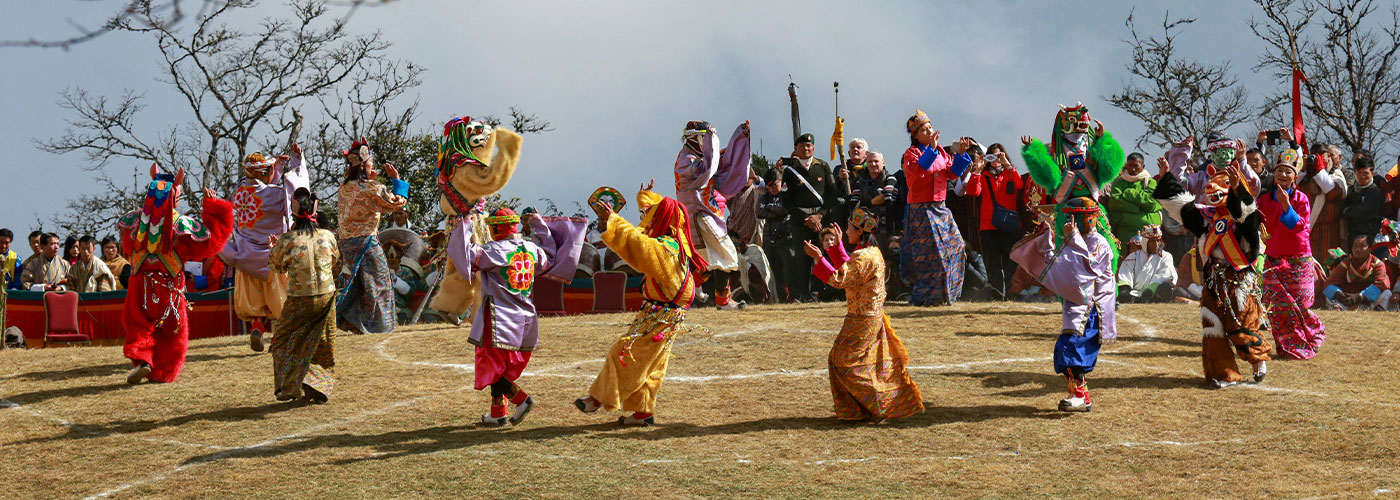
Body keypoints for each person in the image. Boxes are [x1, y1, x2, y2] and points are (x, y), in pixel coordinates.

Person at [575, 184, 708, 426]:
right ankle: (642, 413)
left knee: (625, 353)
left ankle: (598, 398)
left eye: (653, 214)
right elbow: (646, 230)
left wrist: (614, 221)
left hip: (661, 314)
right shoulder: (676, 243)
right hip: (664, 312)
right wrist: (644, 196)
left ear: (663, 218)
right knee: (652, 365)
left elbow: (638, 244)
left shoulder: (666, 248)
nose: (648, 218)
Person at [1157, 154, 1270, 387]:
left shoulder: (1244, 216)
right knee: (1213, 330)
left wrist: (1238, 190)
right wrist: (1167, 177)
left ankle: (1257, 360)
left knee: (1240, 324)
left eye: (1223, 185)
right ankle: (1224, 374)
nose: (1214, 190)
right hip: (1213, 281)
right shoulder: (1205, 216)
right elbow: (1179, 206)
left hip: (1239, 279)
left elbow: (1248, 221)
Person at [117, 165, 234, 384]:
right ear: (175, 198)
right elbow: (210, 243)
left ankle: (142, 359)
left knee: (138, 323)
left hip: (140, 284)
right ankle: (162, 372)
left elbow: (127, 245)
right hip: (169, 285)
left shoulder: (134, 222)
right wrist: (213, 207)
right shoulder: (182, 225)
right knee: (173, 330)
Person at [804, 208, 923, 421]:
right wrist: (837, 247)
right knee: (851, 362)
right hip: (867, 315)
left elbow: (840, 279)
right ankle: (859, 410)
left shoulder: (863, 256)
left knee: (842, 362)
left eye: (849, 228)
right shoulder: (871, 252)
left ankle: (881, 403)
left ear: (860, 231)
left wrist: (819, 258)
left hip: (862, 318)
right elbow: (850, 270)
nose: (846, 232)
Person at [1011, 197, 1117, 412]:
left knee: (1070, 348)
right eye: (1070, 218)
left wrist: (1073, 238)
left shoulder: (1099, 243)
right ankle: (1081, 396)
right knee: (1069, 350)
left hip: (1091, 307)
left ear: (1090, 219)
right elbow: (1061, 266)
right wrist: (1046, 240)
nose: (1071, 222)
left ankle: (1078, 396)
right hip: (1076, 305)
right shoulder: (1074, 240)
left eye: (1076, 217)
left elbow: (1086, 268)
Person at [447, 207, 548, 427]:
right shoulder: (532, 249)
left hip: (498, 316)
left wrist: (464, 223)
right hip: (524, 315)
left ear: (495, 229)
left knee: (490, 363)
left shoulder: (492, 251)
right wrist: (539, 224)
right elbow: (548, 258)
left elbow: (463, 255)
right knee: (500, 365)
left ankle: (521, 399)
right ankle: (498, 413)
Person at [222, 144, 308, 352]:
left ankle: (257, 328)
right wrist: (297, 160)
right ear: (263, 173)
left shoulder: (238, 193)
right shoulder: (276, 195)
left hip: (246, 258)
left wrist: (277, 168)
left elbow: (262, 187)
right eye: (269, 169)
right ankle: (278, 338)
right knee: (281, 300)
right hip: (273, 257)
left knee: (254, 300)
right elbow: (296, 192)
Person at [1020, 103, 1126, 270]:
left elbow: (1108, 170)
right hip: (1066, 212)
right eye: (1072, 123)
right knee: (1066, 256)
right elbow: (1048, 178)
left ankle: (1105, 285)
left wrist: (1103, 140)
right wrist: (1034, 152)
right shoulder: (1057, 153)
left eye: (1082, 124)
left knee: (1104, 251)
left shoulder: (1092, 150)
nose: (1077, 128)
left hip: (1093, 210)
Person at [268, 188, 339, 403]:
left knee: (282, 340)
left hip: (300, 298)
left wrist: (274, 248)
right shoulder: (328, 236)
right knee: (323, 340)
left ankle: (289, 386)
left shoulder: (287, 239)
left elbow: (276, 266)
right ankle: (317, 385)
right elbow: (334, 261)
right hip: (327, 296)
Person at [1257, 148, 1328, 360]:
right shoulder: (1264, 200)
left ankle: (1312, 335)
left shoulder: (1301, 198)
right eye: (1280, 170)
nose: (1283, 175)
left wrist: (1286, 204)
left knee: (1300, 305)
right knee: (1278, 307)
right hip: (1273, 257)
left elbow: (1299, 227)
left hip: (1298, 258)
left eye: (1288, 171)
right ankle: (1287, 346)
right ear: (1274, 173)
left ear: (1295, 176)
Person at [673, 120, 751, 310]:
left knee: (707, 258)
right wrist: (712, 143)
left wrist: (740, 135)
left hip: (705, 214)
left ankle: (693, 290)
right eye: (703, 138)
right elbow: (708, 168)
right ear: (694, 138)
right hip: (700, 215)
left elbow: (719, 161)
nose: (705, 142)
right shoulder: (686, 160)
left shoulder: (694, 158)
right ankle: (721, 301)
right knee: (725, 253)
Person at [335, 138, 409, 335]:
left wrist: (372, 179)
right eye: (371, 162)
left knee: (355, 284)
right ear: (362, 164)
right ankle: (378, 326)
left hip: (346, 243)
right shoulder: (371, 188)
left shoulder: (345, 186)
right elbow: (396, 203)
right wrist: (396, 179)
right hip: (366, 242)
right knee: (380, 283)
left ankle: (350, 320)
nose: (373, 165)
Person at [901, 110, 969, 306]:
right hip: (921, 209)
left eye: (930, 127)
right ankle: (928, 296)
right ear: (916, 136)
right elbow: (917, 172)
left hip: (940, 207)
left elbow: (952, 174)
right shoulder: (912, 153)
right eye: (924, 129)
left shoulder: (940, 151)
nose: (929, 131)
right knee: (930, 254)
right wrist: (931, 150)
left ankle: (950, 292)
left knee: (956, 246)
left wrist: (961, 155)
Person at [779, 132, 837, 302]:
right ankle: (805, 293)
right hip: (801, 222)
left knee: (826, 254)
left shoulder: (823, 166)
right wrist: (805, 219)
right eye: (802, 146)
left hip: (822, 219)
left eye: (809, 145)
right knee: (803, 257)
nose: (806, 148)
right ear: (796, 149)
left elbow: (832, 194)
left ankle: (827, 291)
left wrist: (819, 216)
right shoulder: (790, 171)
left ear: (813, 148)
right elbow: (786, 200)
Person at [964, 144, 1024, 299]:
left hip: (1009, 225)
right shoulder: (983, 176)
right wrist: (977, 170)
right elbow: (972, 191)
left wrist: (1007, 165)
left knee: (1010, 261)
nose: (995, 160)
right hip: (988, 225)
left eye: (998, 156)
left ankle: (1011, 293)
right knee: (993, 262)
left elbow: (1019, 184)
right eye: (991, 156)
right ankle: (996, 293)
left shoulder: (1009, 173)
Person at [1299, 144, 1348, 264]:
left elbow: (1336, 193)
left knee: (1328, 266)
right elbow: (1289, 190)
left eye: (1322, 154)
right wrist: (1301, 168)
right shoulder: (1304, 176)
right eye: (1314, 154)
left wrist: (1320, 171)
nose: (1318, 157)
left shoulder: (1336, 174)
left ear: (1329, 156)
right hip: (1306, 232)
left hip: (1328, 233)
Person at [1103, 152, 1162, 253]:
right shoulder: (1119, 182)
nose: (1133, 169)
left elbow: (1151, 202)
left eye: (1136, 166)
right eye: (1130, 165)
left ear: (1143, 166)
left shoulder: (1150, 182)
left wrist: (1129, 193)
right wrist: (1139, 208)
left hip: (1148, 235)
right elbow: (1115, 203)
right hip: (1124, 231)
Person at [1323, 234, 1391, 310]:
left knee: (1387, 294)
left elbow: (1380, 284)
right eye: (1355, 246)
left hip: (1367, 300)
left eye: (1362, 246)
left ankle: (1376, 309)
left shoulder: (1377, 264)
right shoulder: (1346, 263)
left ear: (1370, 249)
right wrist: (1340, 295)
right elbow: (1330, 283)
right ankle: (1340, 308)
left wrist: (1359, 297)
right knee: (1329, 295)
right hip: (1348, 299)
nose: (1357, 249)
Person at [757, 168, 792, 302]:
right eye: (768, 185)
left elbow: (786, 208)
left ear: (781, 181)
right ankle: (780, 299)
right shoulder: (764, 196)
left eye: (774, 184)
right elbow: (759, 212)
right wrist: (776, 211)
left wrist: (769, 207)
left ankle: (794, 297)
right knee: (775, 273)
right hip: (769, 240)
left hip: (786, 238)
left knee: (790, 271)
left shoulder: (787, 194)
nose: (772, 188)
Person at [1116, 225, 1176, 303]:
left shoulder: (1166, 256)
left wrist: (1148, 293)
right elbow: (1125, 274)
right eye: (1152, 241)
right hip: (1134, 293)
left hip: (1153, 294)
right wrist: (1125, 291)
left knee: (1165, 288)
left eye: (1158, 241)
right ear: (1145, 242)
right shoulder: (1133, 256)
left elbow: (1163, 276)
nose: (1156, 245)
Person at [1343, 156, 1386, 242]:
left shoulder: (1375, 191)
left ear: (1372, 173)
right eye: (1359, 172)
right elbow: (1343, 207)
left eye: (1366, 173)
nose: (1362, 176)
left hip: (1369, 237)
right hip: (1351, 235)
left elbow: (1362, 212)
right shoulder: (1351, 190)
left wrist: (1348, 211)